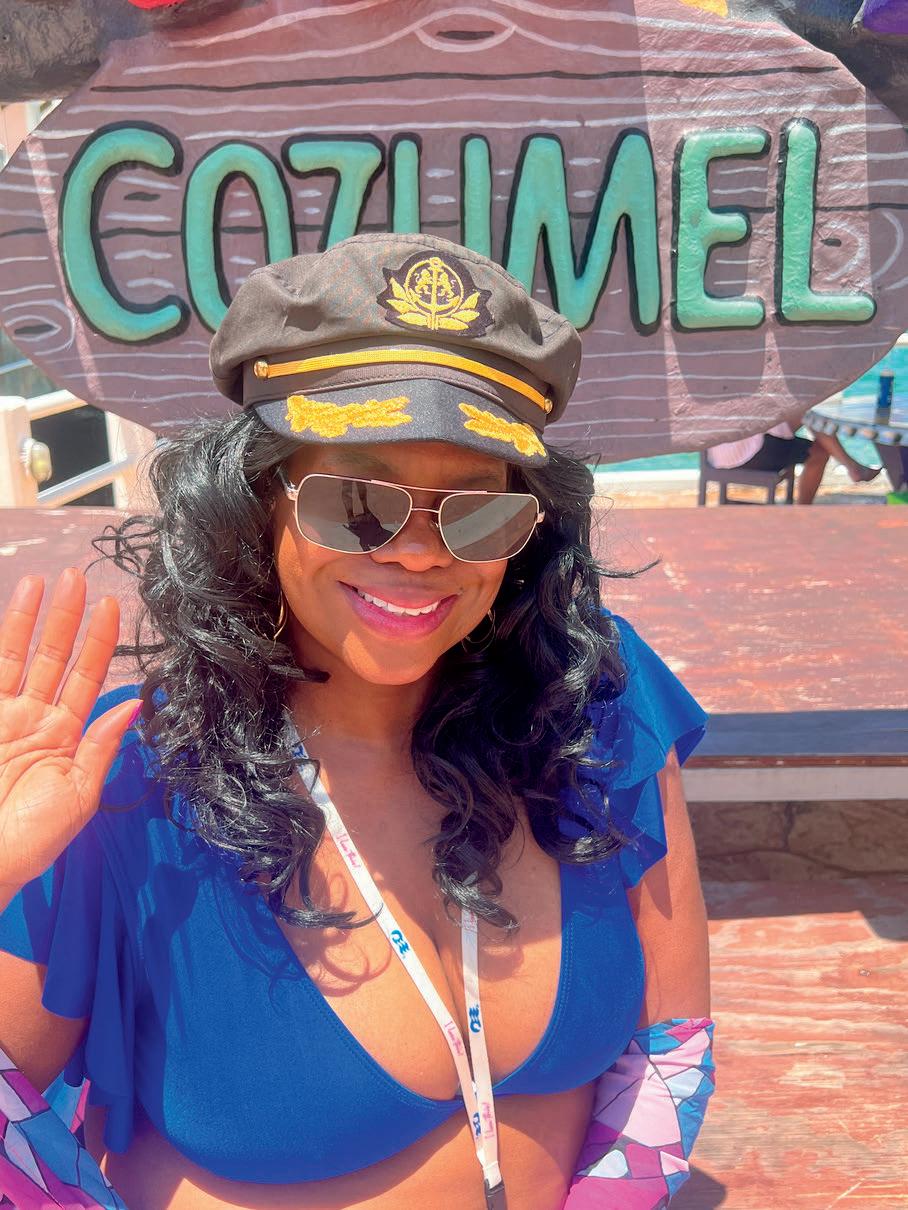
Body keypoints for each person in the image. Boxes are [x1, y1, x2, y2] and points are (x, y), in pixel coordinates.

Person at [0, 234, 715, 1209]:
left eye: (476, 512)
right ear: (255, 503)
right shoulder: (122, 780)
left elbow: (670, 1056)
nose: (418, 554)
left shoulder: (592, 699)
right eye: (357, 502)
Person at [707, 419, 881, 504]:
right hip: (751, 453)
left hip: (719, 455)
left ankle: (852, 466)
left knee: (813, 429)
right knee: (811, 414)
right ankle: (802, 510)